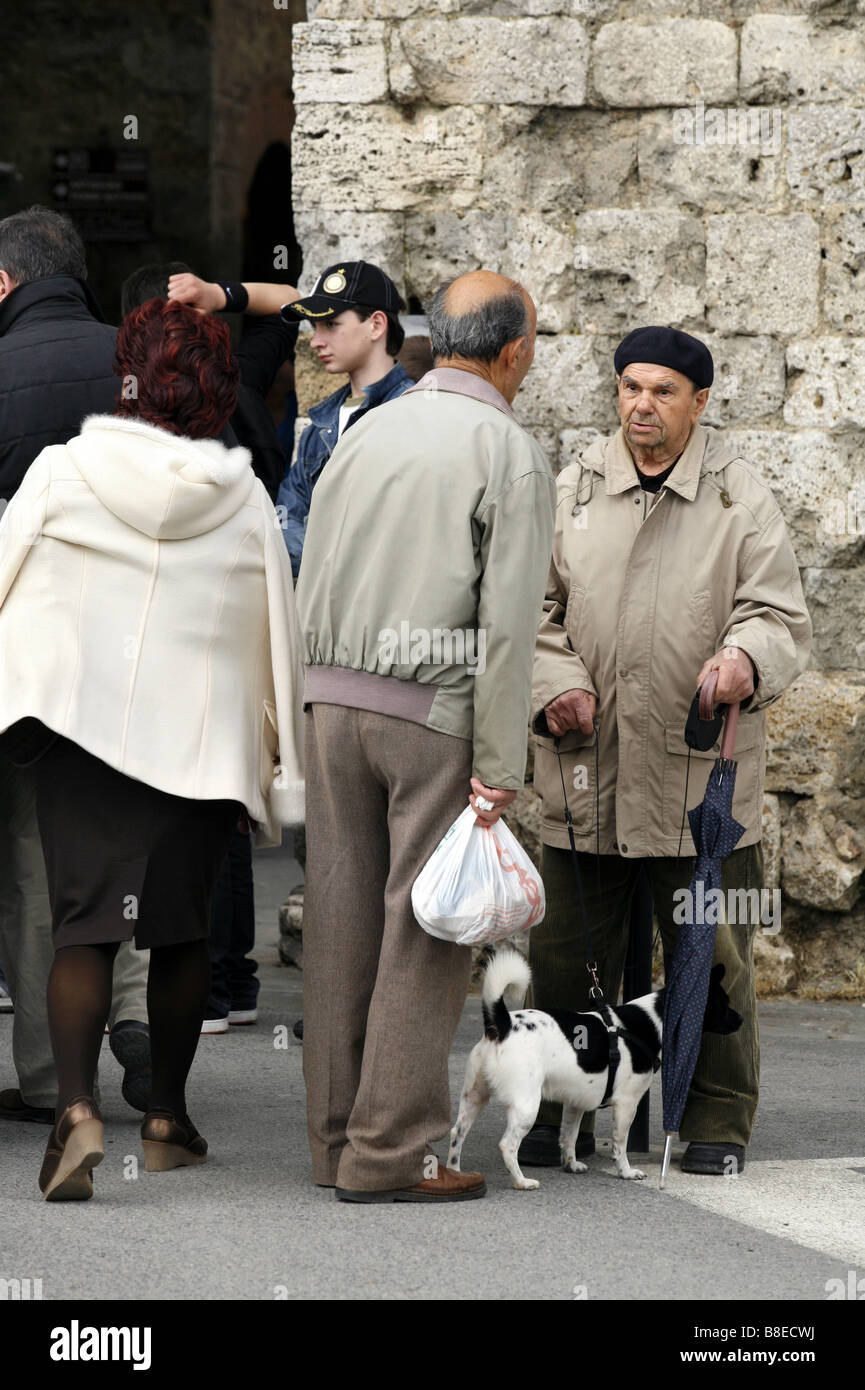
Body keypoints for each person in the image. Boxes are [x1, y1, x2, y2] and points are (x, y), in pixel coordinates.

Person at [0, 297, 304, 1200]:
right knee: (178, 935)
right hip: (199, 744)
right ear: (215, 391)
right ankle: (167, 1119)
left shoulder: (61, 472)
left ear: (127, 379)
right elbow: (275, 629)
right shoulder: (243, 496)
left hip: (78, 733)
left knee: (83, 928)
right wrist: (280, 765)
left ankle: (76, 1115)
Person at [295, 269, 556, 1202]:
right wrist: (499, 767)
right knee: (420, 933)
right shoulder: (507, 449)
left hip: (332, 702)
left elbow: (310, 569)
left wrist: (308, 706)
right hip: (428, 712)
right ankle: (394, 1153)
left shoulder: (364, 432)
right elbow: (509, 628)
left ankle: (335, 1145)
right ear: (514, 349)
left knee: (336, 919)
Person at [526, 325, 812, 1176]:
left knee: (712, 954)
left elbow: (779, 615)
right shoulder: (574, 485)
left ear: (699, 402)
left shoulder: (739, 499)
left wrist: (742, 658)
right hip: (587, 769)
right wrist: (552, 686)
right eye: (628, 389)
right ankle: (557, 1106)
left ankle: (714, 1118)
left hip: (697, 780)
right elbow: (529, 612)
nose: (639, 406)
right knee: (566, 954)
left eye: (660, 392)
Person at [0, 205, 151, 1124]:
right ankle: (133, 1012)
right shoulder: (136, 364)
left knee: (28, 857)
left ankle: (53, 1079)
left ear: (5, 283)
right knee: (121, 841)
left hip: (23, 660)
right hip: (128, 651)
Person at [167, 261, 413, 579]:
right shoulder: (318, 427)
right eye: (315, 327)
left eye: (331, 325)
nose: (315, 341)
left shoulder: (413, 411)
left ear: (376, 326)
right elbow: (287, 526)